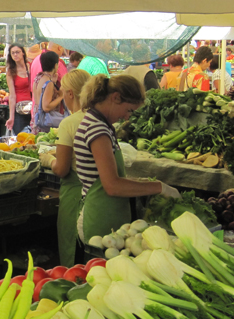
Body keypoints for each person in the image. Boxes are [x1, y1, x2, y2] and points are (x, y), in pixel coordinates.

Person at [75, 74, 179, 239]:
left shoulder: (101, 125)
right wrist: (159, 187)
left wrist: (144, 183)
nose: (127, 117)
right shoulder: (97, 130)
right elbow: (112, 185)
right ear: (115, 98)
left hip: (108, 217)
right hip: (99, 220)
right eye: (129, 110)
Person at [38, 69, 91, 266]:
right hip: (98, 197)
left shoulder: (69, 123)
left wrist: (48, 160)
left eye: (62, 93)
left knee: (74, 256)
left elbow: (61, 169)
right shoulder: (98, 118)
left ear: (70, 94)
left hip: (76, 195)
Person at [32, 51, 68, 133]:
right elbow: (46, 107)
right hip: (45, 123)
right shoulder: (48, 83)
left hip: (37, 119)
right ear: (55, 65)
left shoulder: (38, 77)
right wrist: (60, 97)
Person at [5, 44, 32, 134]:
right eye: (13, 53)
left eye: (17, 52)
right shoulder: (11, 72)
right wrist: (11, 117)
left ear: (23, 53)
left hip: (33, 108)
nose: (15, 55)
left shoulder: (31, 67)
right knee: (20, 137)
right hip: (19, 110)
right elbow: (12, 96)